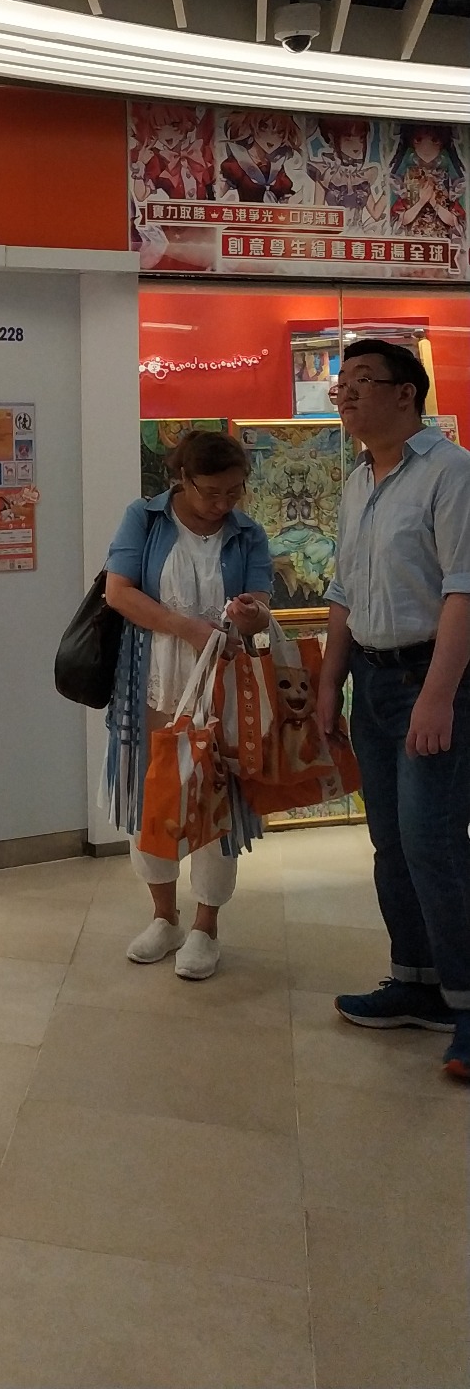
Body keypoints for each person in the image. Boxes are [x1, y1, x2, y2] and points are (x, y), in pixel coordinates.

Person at [317, 340, 470, 1082]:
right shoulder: (359, 482)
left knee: (433, 842)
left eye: (362, 381)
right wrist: (328, 685)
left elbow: (464, 591)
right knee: (390, 842)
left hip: (430, 680)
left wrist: (437, 695)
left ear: (406, 393)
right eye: (340, 384)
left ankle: (467, 1004)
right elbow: (344, 592)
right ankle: (416, 980)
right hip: (372, 683)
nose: (345, 394)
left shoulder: (452, 473)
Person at [103, 430, 273, 980]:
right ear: (183, 479)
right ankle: (163, 916)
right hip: (152, 680)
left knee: (216, 801)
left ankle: (206, 925)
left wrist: (250, 615)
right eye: (211, 492)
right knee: (151, 796)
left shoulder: (248, 533)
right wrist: (186, 627)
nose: (223, 504)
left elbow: (261, 606)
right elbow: (118, 592)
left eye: (234, 492)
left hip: (222, 687)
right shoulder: (146, 518)